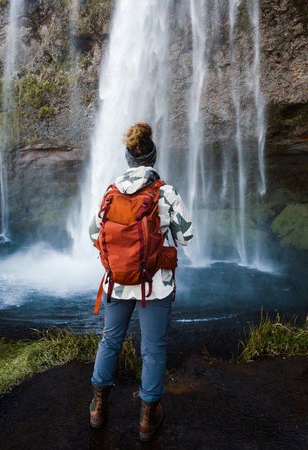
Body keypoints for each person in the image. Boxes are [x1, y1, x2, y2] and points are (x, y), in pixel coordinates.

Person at [88, 121, 194, 441]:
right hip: (155, 286)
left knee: (110, 340)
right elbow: (186, 237)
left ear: (128, 158)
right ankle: (148, 418)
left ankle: (98, 407)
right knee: (152, 348)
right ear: (153, 155)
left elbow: (93, 235)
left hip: (117, 281)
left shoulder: (111, 192)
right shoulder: (166, 192)